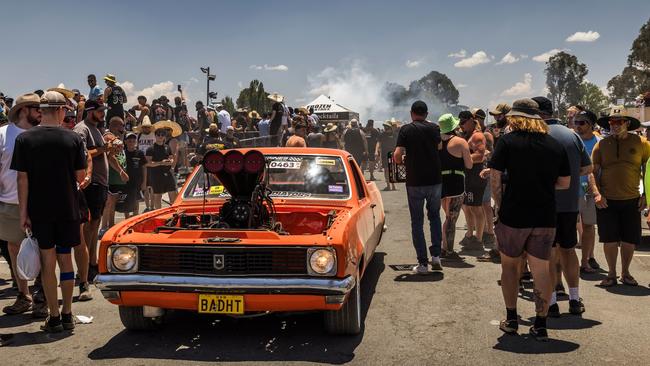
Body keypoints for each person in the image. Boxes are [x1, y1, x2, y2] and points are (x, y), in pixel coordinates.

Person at [489, 98, 570, 341]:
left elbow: (494, 179)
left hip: (513, 215)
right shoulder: (555, 145)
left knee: (510, 267)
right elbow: (565, 183)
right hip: (545, 215)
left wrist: (499, 206)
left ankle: (512, 319)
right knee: (541, 270)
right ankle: (541, 324)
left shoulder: (507, 142)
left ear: (515, 117)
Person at [12, 90, 88, 332]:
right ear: (59, 110)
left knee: (48, 262)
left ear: (42, 110)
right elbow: (80, 175)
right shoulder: (73, 139)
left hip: (39, 209)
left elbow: (22, 180)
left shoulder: (24, 140)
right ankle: (67, 313)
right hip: (67, 208)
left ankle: (53, 316)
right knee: (66, 260)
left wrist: (23, 213)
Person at [533, 96, 592, 317]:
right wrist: (569, 177)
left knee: (548, 253)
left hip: (544, 204)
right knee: (568, 251)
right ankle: (575, 299)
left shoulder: (537, 135)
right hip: (569, 204)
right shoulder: (572, 135)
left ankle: (553, 301)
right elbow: (588, 168)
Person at [0, 93, 48, 317]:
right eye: (36, 107)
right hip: (9, 201)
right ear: (22, 110)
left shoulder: (44, 134)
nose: (41, 111)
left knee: (45, 250)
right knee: (14, 249)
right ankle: (24, 295)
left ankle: (42, 296)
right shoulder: (3, 134)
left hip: (40, 202)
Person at [591, 106, 650, 287]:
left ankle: (625, 273)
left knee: (629, 239)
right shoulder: (601, 144)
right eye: (612, 122)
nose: (614, 125)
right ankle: (611, 273)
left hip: (632, 199)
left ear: (627, 123)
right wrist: (597, 194)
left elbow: (648, 171)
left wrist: (646, 196)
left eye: (618, 122)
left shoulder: (642, 143)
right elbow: (592, 172)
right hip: (607, 200)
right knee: (608, 239)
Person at [394, 101, 443, 273]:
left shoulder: (406, 129)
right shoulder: (434, 128)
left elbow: (397, 156)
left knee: (417, 221)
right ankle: (436, 256)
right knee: (435, 217)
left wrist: (404, 159)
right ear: (427, 114)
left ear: (411, 113)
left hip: (415, 181)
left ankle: (422, 263)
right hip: (435, 179)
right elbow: (439, 146)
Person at [74, 99, 112, 281]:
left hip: (99, 183)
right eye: (100, 111)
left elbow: (97, 150)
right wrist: (103, 148)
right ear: (90, 112)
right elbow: (81, 153)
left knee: (94, 225)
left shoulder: (95, 128)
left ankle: (91, 264)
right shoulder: (82, 128)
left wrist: (107, 148)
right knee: (89, 227)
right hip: (91, 183)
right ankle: (87, 267)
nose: (103, 113)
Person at [479, 103, 512, 262]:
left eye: (499, 115)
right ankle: (499, 248)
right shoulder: (494, 130)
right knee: (499, 212)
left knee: (502, 214)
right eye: (494, 115)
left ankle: (502, 250)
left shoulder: (511, 130)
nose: (496, 118)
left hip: (507, 177)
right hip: (499, 174)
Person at [438, 114, 473, 257]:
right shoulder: (460, 142)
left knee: (446, 216)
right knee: (451, 218)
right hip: (456, 183)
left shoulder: (437, 142)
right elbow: (469, 165)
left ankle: (443, 246)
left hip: (441, 182)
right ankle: (448, 250)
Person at [572, 110, 601, 273]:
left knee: (589, 227)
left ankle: (586, 261)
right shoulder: (571, 140)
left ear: (591, 124)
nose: (577, 126)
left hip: (591, 191)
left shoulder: (599, 142)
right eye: (576, 122)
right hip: (571, 191)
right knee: (570, 227)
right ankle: (570, 263)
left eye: (582, 123)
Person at [458, 111, 488, 247]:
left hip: (476, 175)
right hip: (468, 176)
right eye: (460, 122)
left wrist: (462, 159)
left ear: (471, 120)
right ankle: (470, 235)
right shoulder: (466, 135)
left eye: (463, 122)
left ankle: (478, 238)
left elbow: (480, 155)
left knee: (476, 208)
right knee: (467, 207)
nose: (461, 125)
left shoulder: (477, 136)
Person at [101, 117, 129, 234]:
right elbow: (110, 157)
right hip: (111, 177)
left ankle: (111, 227)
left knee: (113, 202)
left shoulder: (117, 138)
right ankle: (104, 228)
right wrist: (121, 171)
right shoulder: (109, 137)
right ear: (115, 126)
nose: (124, 128)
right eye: (122, 126)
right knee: (109, 203)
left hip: (117, 179)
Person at [146, 127, 177, 209]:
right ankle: (159, 214)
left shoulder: (167, 147)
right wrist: (161, 163)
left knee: (173, 193)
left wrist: (170, 161)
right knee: (158, 196)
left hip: (168, 173)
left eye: (162, 135)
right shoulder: (151, 148)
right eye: (158, 135)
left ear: (165, 136)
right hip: (156, 175)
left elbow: (171, 157)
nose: (160, 136)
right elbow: (148, 163)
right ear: (155, 136)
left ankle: (174, 214)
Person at [121, 133, 146, 218]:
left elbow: (144, 168)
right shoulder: (122, 153)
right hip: (125, 182)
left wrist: (144, 182)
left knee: (136, 201)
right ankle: (126, 219)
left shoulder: (140, 153)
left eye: (133, 141)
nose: (131, 142)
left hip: (137, 181)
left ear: (136, 142)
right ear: (125, 142)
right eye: (129, 140)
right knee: (126, 202)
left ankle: (135, 218)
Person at [376, 120, 397, 191]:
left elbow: (398, 144)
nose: (385, 128)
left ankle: (393, 185)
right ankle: (388, 185)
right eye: (384, 126)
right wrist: (376, 151)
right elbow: (378, 143)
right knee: (386, 170)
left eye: (386, 126)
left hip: (393, 154)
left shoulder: (395, 135)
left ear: (389, 127)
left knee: (392, 169)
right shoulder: (382, 134)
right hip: (385, 154)